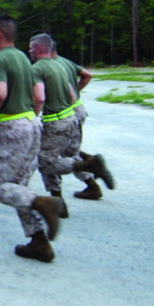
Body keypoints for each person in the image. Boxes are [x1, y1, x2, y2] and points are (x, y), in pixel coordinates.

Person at [0, 16, 65, 263]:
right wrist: (26, 120)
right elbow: (38, 98)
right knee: (18, 186)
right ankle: (39, 242)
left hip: (14, 127)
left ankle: (43, 203)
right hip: (32, 124)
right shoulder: (25, 59)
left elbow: (0, 93)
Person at [29, 34, 113, 209]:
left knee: (47, 161)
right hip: (73, 115)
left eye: (31, 48)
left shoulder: (39, 68)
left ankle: (62, 198)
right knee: (67, 154)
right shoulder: (62, 64)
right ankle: (90, 185)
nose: (29, 51)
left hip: (56, 119)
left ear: (40, 48)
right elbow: (74, 92)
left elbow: (39, 98)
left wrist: (32, 117)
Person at [48, 40, 106, 200]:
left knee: (61, 154)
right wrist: (75, 92)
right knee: (68, 149)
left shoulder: (51, 66)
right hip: (77, 109)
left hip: (65, 111)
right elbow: (88, 75)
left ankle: (90, 179)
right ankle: (90, 173)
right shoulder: (66, 62)